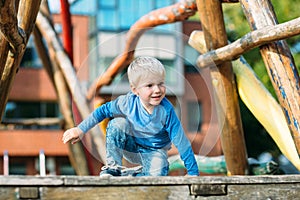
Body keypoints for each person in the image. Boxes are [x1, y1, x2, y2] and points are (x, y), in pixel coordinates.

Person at [62, 56, 199, 177]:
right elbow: (101, 111)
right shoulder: (127, 102)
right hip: (131, 146)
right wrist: (80, 129)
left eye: (161, 84)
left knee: (157, 175)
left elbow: (181, 141)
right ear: (135, 90)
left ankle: (135, 175)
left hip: (154, 152)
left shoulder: (166, 110)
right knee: (117, 123)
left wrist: (192, 172)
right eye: (150, 85)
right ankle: (113, 167)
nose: (157, 90)